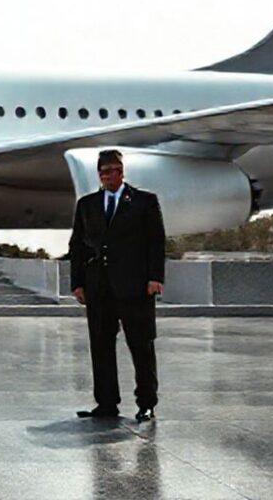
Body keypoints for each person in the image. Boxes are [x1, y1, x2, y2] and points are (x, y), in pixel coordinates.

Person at [69, 149, 165, 423]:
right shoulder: (87, 205)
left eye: (113, 170)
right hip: (99, 287)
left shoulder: (144, 202)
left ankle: (146, 403)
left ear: (122, 172)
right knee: (100, 346)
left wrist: (155, 277)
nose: (108, 175)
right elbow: (77, 245)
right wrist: (77, 282)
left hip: (135, 287)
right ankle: (106, 403)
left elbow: (155, 242)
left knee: (141, 346)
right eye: (103, 171)